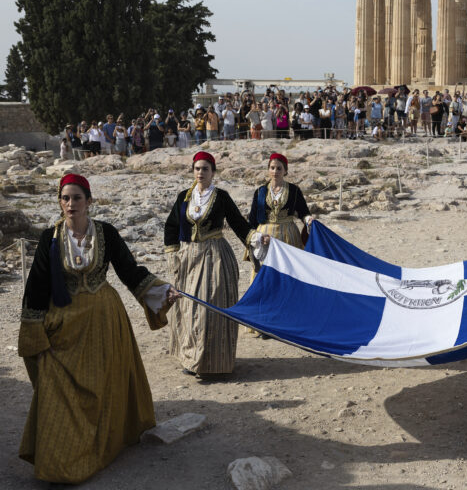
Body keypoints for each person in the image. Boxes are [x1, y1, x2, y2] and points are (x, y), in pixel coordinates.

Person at [18, 174, 178, 484]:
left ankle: (103, 443)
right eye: (65, 198)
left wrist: (161, 291)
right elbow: (36, 285)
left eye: (77, 198)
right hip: (64, 325)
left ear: (89, 201)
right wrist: (34, 330)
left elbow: (130, 272)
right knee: (56, 391)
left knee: (104, 386)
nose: (70, 203)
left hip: (105, 320)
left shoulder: (106, 233)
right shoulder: (49, 238)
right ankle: (60, 463)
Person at [164, 151, 260, 378]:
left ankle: (214, 363)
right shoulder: (183, 197)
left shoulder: (222, 197)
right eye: (197, 168)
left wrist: (255, 238)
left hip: (215, 256)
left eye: (205, 169)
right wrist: (173, 253)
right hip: (189, 257)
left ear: (213, 172)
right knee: (189, 308)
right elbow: (171, 226)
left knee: (210, 308)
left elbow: (238, 223)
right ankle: (191, 359)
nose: (200, 172)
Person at [247, 153, 314, 268]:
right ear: (268, 169)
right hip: (265, 236)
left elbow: (303, 212)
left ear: (285, 171)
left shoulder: (294, 190)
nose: (275, 171)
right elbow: (252, 218)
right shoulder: (260, 191)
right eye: (272, 168)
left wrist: (308, 219)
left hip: (288, 236)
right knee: (267, 270)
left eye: (279, 168)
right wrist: (255, 237)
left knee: (288, 268)